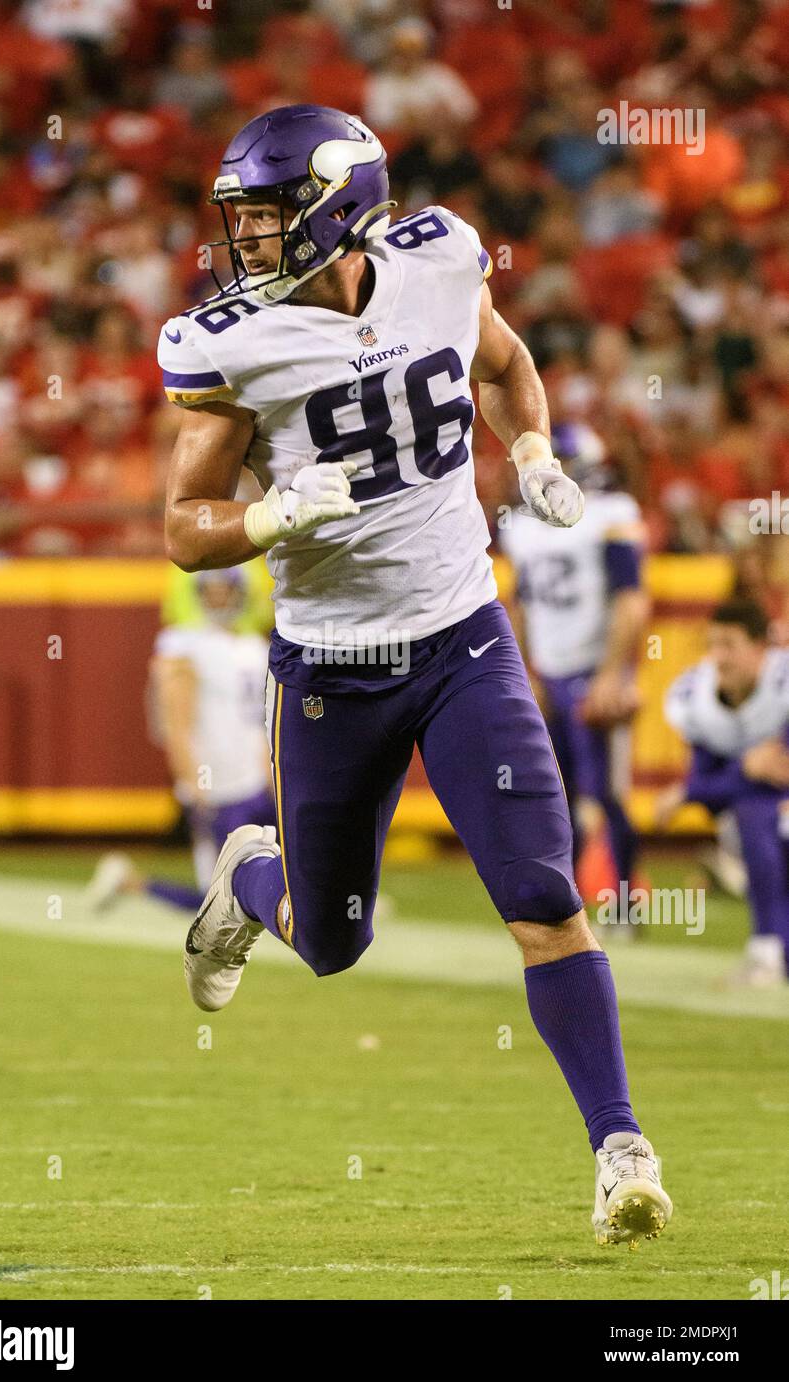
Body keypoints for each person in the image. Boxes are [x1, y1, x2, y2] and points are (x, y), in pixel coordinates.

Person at [158, 103, 672, 1248]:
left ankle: (618, 1146)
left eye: (264, 215)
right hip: (333, 668)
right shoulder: (228, 341)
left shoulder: (439, 258)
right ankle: (251, 880)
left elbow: (506, 362)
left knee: (541, 896)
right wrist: (271, 512)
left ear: (337, 206)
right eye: (235, 220)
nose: (242, 241)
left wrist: (529, 447)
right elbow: (185, 530)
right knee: (332, 941)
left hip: (461, 640)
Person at [499, 422, 648, 926]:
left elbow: (631, 601)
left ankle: (626, 907)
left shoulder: (610, 514)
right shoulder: (521, 527)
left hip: (592, 666)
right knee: (553, 794)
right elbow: (518, 606)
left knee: (606, 792)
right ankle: (569, 904)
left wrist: (612, 674)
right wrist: (528, 676)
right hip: (550, 670)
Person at [89, 568, 274, 915]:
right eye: (213, 591)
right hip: (217, 779)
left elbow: (265, 721)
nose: (219, 598)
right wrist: (190, 779)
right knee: (221, 899)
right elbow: (175, 721)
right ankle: (131, 882)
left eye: (225, 590)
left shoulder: (256, 647)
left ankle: (338, 908)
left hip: (258, 777)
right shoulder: (184, 645)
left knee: (275, 872)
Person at [661, 598, 789, 986]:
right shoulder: (697, 697)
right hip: (758, 817)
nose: (719, 657)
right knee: (753, 814)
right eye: (712, 644)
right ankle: (770, 950)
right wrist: (745, 769)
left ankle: (769, 949)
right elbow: (707, 787)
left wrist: (688, 792)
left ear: (760, 648)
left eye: (729, 645)